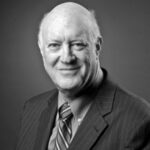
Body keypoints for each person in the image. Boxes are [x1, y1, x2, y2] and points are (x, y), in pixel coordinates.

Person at [16, 2, 150, 150]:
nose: (67, 58)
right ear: (41, 50)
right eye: (54, 45)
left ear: (97, 46)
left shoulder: (139, 120)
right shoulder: (32, 109)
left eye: (78, 44)